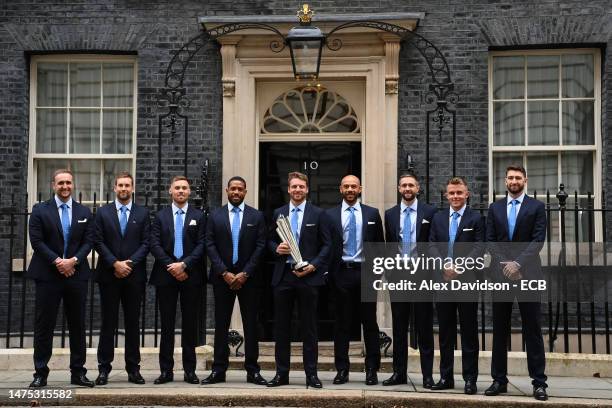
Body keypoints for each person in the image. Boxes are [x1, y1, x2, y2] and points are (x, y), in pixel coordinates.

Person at [485, 164, 548, 401]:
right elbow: (490, 240)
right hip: (501, 275)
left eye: (517, 178)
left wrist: (518, 264)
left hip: (528, 274)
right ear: (505, 181)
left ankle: (539, 383)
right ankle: (499, 380)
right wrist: (506, 265)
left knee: (532, 330)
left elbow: (538, 240)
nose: (513, 181)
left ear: (525, 180)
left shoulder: (537, 207)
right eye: (510, 178)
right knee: (499, 330)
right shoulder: (495, 208)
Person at [27, 169, 94, 388]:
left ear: (72, 185)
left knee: (78, 325)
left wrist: (72, 261)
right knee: (44, 325)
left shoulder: (84, 211)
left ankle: (78, 372)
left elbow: (89, 241)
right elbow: (37, 241)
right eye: (61, 183)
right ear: (53, 185)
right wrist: (58, 262)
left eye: (68, 183)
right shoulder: (40, 210)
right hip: (48, 275)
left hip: (76, 275)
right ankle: (40, 373)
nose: (65, 186)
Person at [266, 172, 331, 389]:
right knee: (281, 328)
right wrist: (276, 248)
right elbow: (268, 241)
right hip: (283, 276)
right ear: (288, 189)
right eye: (294, 186)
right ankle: (281, 374)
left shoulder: (318, 214)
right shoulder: (279, 213)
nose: (297, 190)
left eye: (301, 187)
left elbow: (327, 245)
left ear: (307, 189)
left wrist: (313, 265)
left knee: (309, 328)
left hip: (308, 276)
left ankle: (311, 374)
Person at [201, 176, 267, 386]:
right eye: (233, 189)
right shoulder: (215, 215)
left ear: (246, 191)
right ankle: (219, 370)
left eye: (240, 189)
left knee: (251, 325)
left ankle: (253, 371)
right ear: (226, 190)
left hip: (249, 279)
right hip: (223, 278)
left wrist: (245, 273)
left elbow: (261, 246)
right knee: (221, 324)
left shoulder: (256, 216)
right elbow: (209, 244)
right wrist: (224, 272)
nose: (236, 192)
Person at [428, 176, 484, 394]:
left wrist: (459, 266)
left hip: (467, 281)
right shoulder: (438, 218)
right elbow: (431, 244)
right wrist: (444, 266)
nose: (455, 196)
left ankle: (470, 379)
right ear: (446, 195)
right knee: (445, 333)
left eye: (459, 192)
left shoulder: (476, 218)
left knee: (469, 333)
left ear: (466, 194)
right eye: (452, 193)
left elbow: (480, 247)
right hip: (443, 281)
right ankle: (446, 377)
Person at [325, 175, 383, 386]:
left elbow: (380, 246)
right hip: (340, 274)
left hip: (366, 273)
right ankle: (342, 370)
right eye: (346, 186)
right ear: (340, 189)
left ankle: (371, 370)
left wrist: (376, 274)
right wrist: (329, 275)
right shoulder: (329, 215)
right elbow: (326, 246)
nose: (350, 189)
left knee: (369, 323)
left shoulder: (372, 214)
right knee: (341, 324)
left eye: (354, 186)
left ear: (360, 189)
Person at [93, 171, 150, 385]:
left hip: (134, 276)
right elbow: (97, 240)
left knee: (133, 323)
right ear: (114, 188)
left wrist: (129, 264)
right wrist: (114, 263)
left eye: (127, 185)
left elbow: (146, 243)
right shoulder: (103, 212)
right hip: (109, 275)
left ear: (132, 188)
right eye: (120, 186)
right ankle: (103, 369)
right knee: (108, 323)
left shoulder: (142, 213)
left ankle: (133, 369)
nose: (124, 189)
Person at [149, 176, 206, 385]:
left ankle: (190, 371)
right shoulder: (160, 216)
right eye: (177, 188)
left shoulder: (199, 216)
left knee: (190, 325)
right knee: (167, 325)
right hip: (166, 276)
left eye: (184, 188)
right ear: (170, 191)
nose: (181, 191)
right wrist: (171, 266)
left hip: (191, 276)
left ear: (189, 192)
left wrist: (184, 265)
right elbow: (153, 243)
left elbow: (202, 244)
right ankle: (166, 371)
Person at [383, 172, 436, 388]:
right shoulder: (390, 214)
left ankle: (427, 375)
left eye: (411, 185)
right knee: (399, 326)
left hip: (422, 275)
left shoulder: (430, 212)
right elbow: (388, 244)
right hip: (398, 275)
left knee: (424, 327)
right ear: (398, 188)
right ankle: (399, 374)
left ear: (418, 188)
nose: (407, 189)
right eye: (404, 185)